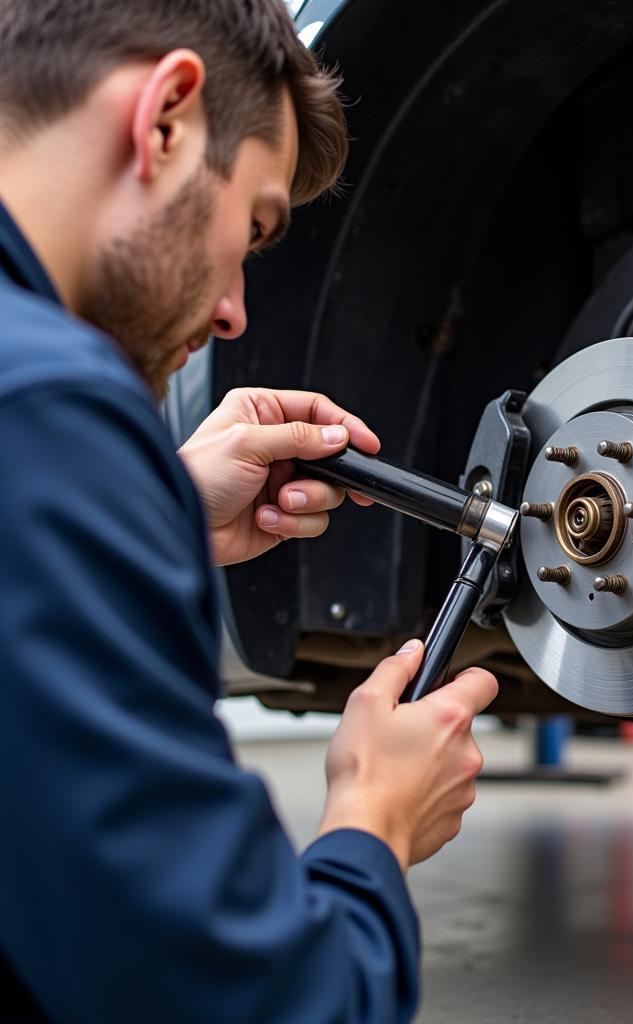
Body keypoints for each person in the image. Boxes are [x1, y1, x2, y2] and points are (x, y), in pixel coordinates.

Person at [0, 2, 498, 1021]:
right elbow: (256, 1001)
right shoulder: (49, 408)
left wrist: (160, 507)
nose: (233, 309)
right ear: (168, 116)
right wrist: (373, 823)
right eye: (255, 228)